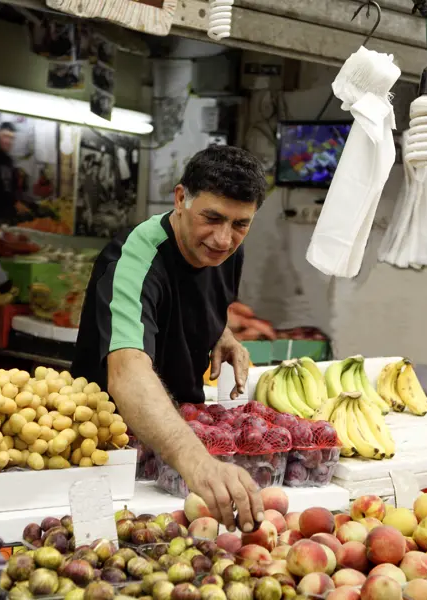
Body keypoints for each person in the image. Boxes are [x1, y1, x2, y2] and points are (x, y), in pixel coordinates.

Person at [72, 146, 267, 533]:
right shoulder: (133, 259)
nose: (224, 239)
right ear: (180, 199)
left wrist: (219, 330)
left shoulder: (225, 251)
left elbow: (196, 293)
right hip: (111, 452)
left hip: (177, 453)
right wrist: (196, 460)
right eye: (211, 218)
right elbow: (127, 371)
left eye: (241, 224)